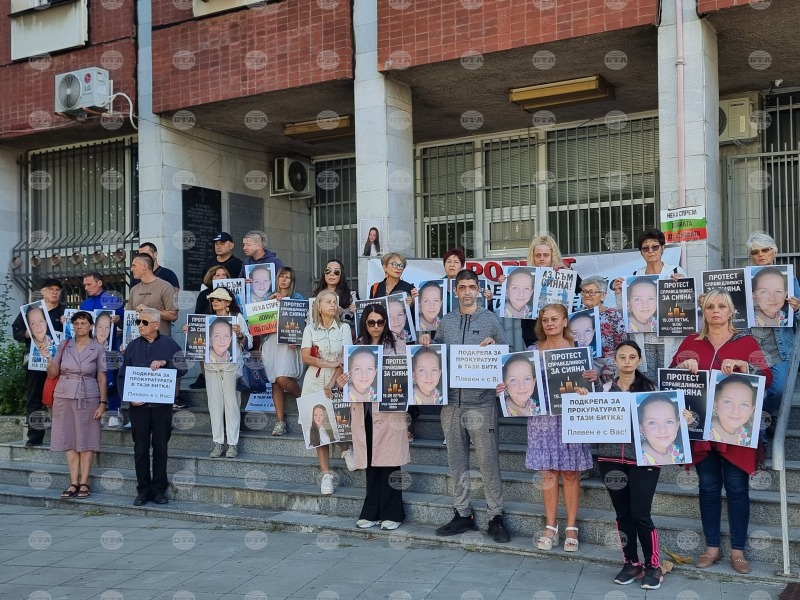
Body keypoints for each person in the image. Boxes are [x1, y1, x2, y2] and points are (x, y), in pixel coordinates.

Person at [670, 290, 772, 574]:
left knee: (737, 489)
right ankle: (712, 548)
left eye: (721, 306)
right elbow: (671, 379)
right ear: (703, 312)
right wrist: (681, 367)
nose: (716, 311)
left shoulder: (747, 342)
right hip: (702, 430)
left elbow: (767, 379)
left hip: (735, 431)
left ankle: (738, 551)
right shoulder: (691, 342)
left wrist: (745, 366)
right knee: (708, 487)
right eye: (710, 306)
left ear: (730, 312)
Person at [420, 269, 511, 543]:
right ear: (456, 290)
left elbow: (506, 357)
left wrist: (495, 346)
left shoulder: (491, 320)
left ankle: (496, 516)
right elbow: (435, 354)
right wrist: (427, 343)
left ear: (478, 289)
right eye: (463, 287)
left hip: (482, 403)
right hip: (450, 404)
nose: (468, 291)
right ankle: (462, 513)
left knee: (488, 462)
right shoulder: (446, 321)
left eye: (472, 286)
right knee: (457, 461)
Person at [585, 340, 664, 590]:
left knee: (641, 514)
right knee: (622, 514)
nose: (627, 361)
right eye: (622, 357)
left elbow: (665, 416)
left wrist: (681, 415)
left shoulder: (651, 389)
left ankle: (653, 565)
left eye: (632, 357)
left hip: (644, 459)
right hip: (610, 460)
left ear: (639, 360)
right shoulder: (605, 389)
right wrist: (583, 401)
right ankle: (631, 563)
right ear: (615, 361)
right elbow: (592, 419)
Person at [525, 303, 597, 553]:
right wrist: (506, 389)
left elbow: (592, 388)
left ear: (565, 321)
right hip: (542, 419)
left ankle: (571, 527)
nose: (550, 323)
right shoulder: (532, 351)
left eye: (555, 319)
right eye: (545, 320)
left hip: (571, 416)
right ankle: (551, 526)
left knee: (570, 472)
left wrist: (593, 379)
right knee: (548, 473)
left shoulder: (579, 350)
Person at [337, 304, 410, 530]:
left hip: (389, 411)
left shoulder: (398, 343)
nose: (376, 326)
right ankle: (371, 511)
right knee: (370, 461)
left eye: (380, 322)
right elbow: (348, 377)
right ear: (365, 324)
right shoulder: (357, 346)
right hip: (364, 411)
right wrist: (341, 383)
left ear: (385, 322)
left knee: (390, 461)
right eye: (371, 322)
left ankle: (393, 513)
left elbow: (407, 374)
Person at [117, 308, 188, 506]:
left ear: (156, 325)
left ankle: (158, 490)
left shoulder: (169, 344)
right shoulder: (132, 346)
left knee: (160, 448)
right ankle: (142, 490)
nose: (140, 325)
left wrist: (166, 363)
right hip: (138, 407)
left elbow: (183, 367)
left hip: (161, 407)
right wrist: (130, 397)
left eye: (145, 322)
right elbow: (123, 375)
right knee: (140, 449)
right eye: (138, 322)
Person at [744, 233, 800, 446]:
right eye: (755, 252)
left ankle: (766, 417)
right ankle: (760, 438)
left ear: (774, 252)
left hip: (780, 347)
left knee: (778, 390)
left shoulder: (790, 280)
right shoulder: (744, 279)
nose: (761, 255)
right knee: (752, 391)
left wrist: (797, 309)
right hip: (751, 346)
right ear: (750, 256)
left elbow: (798, 316)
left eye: (765, 250)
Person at [46, 311, 107, 500]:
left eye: (83, 323)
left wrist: (103, 403)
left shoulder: (98, 347)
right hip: (63, 395)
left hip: (88, 395)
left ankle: (84, 482)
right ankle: (73, 482)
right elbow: (52, 374)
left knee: (87, 438)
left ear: (91, 326)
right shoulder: (64, 345)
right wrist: (48, 358)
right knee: (69, 438)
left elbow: (102, 376)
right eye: (77, 323)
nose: (80, 326)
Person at [613, 228, 686, 381]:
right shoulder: (635, 275)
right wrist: (619, 293)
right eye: (646, 248)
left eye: (655, 246)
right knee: (647, 381)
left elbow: (687, 306)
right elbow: (624, 310)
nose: (651, 251)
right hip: (643, 340)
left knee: (669, 379)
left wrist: (683, 286)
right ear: (641, 252)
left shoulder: (675, 271)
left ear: (663, 248)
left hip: (669, 339)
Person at [301, 290, 354, 494]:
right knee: (318, 428)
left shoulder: (344, 328)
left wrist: (332, 383)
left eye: (335, 302)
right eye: (328, 302)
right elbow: (306, 357)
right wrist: (330, 363)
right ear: (319, 306)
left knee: (336, 423)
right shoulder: (310, 329)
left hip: (337, 380)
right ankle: (326, 475)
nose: (333, 305)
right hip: (313, 380)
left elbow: (346, 358)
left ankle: (346, 449)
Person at [195, 287, 251, 458]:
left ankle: (232, 443)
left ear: (228, 302)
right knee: (214, 405)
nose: (215, 302)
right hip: (211, 367)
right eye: (213, 299)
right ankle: (218, 442)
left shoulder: (237, 318)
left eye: (219, 299)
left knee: (232, 405)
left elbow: (248, 343)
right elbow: (197, 343)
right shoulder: (206, 320)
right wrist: (190, 332)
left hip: (231, 367)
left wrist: (239, 334)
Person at [12, 278, 65, 447]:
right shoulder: (30, 311)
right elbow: (16, 330)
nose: (54, 292)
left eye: (57, 289)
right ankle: (35, 436)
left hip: (58, 364)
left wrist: (67, 324)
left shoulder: (64, 312)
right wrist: (26, 334)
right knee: (34, 399)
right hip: (35, 363)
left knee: (61, 399)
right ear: (42, 291)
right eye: (51, 289)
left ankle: (62, 435)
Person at [517, 235, 580, 348]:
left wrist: (569, 272)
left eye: (546, 255)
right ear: (533, 257)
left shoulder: (563, 273)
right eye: (538, 255)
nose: (542, 258)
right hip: (532, 332)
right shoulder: (524, 275)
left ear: (552, 256)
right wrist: (506, 282)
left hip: (561, 332)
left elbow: (581, 288)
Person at [80, 272, 125, 424]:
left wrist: (118, 320)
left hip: (109, 349)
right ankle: (96, 412)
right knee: (91, 381)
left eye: (89, 284)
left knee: (110, 381)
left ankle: (114, 413)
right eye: (84, 285)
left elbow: (127, 324)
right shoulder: (84, 304)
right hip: (88, 350)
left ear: (99, 283)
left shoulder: (113, 301)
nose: (86, 288)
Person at [264, 267, 304, 436]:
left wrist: (297, 338)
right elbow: (259, 323)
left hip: (288, 344)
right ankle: (280, 422)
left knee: (282, 378)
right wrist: (270, 303)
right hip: (271, 343)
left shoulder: (297, 298)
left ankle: (305, 399)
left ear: (292, 281)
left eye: (287, 277)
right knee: (275, 381)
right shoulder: (268, 297)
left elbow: (303, 322)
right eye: (281, 276)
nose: (284, 280)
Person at [190, 265, 232, 391]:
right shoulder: (204, 294)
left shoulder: (232, 293)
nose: (221, 277)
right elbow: (197, 315)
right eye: (217, 275)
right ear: (211, 278)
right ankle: (205, 377)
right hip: (207, 330)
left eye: (223, 275)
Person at [578, 275, 626, 383]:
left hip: (608, 365)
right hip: (584, 365)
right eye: (584, 292)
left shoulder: (613, 314)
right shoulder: (576, 316)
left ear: (603, 296)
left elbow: (621, 345)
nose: (587, 295)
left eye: (591, 292)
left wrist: (611, 366)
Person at [127, 253, 179, 337]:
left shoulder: (166, 287)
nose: (131, 269)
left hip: (159, 341)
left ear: (144, 266)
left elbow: (174, 315)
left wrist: (150, 310)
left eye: (134, 266)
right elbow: (128, 315)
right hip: (138, 341)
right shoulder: (134, 290)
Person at [708, 374, 758, 446]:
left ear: (751, 410)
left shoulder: (745, 434)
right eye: (727, 402)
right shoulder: (705, 433)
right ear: (716, 405)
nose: (736, 411)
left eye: (744, 404)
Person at [637, 393, 685, 465]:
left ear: (677, 425)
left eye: (669, 421)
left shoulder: (675, 450)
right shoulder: (639, 459)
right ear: (641, 427)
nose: (663, 430)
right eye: (652, 423)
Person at [311, 259, 357, 323]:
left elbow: (358, 321)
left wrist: (343, 313)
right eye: (328, 271)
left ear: (341, 275)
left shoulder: (351, 295)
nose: (332, 274)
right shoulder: (316, 294)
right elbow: (309, 319)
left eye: (336, 272)